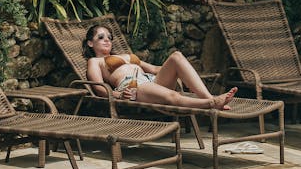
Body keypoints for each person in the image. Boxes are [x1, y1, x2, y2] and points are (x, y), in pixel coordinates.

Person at [82, 24, 238, 110]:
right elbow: (99, 89)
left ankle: (209, 98)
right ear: (90, 43)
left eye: (109, 37)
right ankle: (210, 104)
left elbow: (156, 69)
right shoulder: (95, 62)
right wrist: (120, 95)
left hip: (151, 80)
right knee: (172, 97)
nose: (107, 40)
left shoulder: (124, 55)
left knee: (176, 56)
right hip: (134, 87)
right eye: (101, 37)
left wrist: (180, 73)